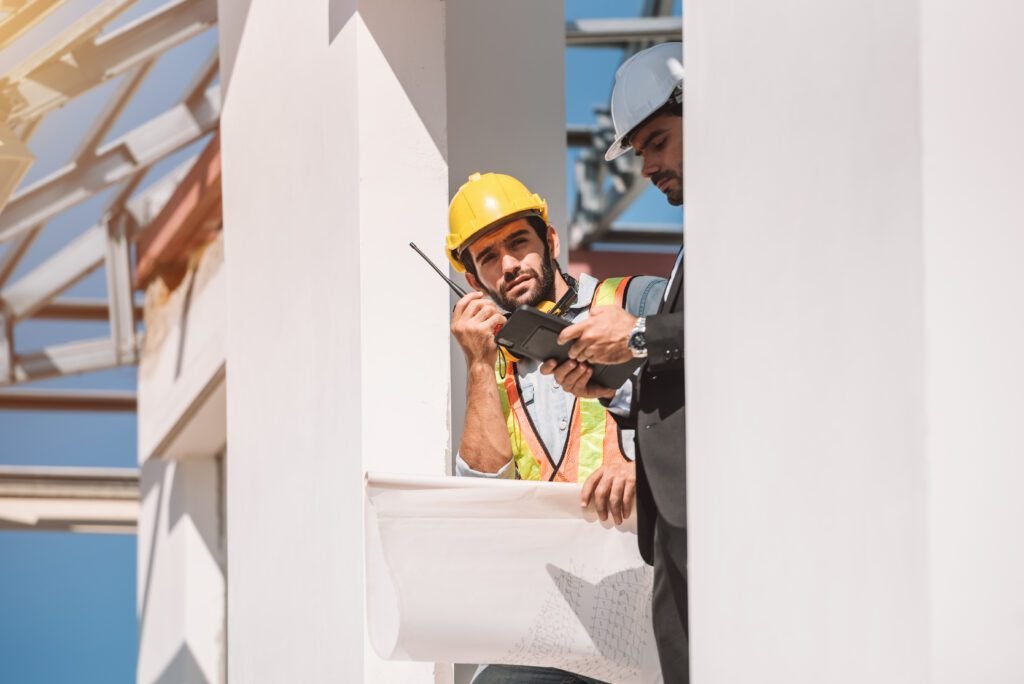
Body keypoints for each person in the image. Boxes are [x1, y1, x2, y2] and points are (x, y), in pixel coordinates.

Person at [446, 171, 666, 684]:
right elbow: (482, 491)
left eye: (518, 242)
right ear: (475, 281)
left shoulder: (637, 303)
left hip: (643, 605)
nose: (509, 265)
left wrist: (643, 463)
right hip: (548, 619)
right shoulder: (495, 362)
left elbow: (716, 401)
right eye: (487, 258)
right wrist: (479, 364)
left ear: (549, 240)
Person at [540, 42, 688, 682]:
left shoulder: (750, 221)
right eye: (640, 152)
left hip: (713, 518)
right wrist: (610, 388)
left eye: (658, 141)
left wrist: (633, 338)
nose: (649, 165)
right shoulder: (699, 237)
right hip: (675, 530)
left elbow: (755, 333)